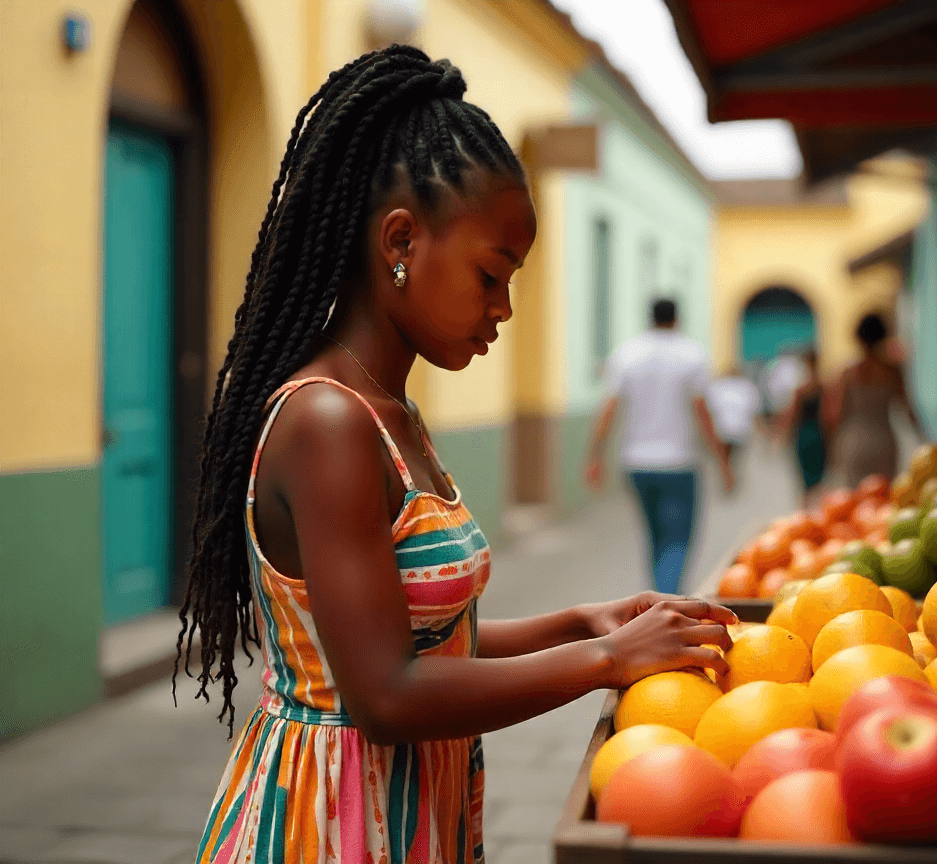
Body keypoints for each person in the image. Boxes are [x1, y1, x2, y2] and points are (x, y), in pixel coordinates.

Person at [175, 46, 735, 864]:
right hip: (333, 825)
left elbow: (434, 641)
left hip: (408, 811)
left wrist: (584, 621)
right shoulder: (329, 421)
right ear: (401, 239)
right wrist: (606, 659)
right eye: (491, 273)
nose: (504, 307)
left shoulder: (392, 411)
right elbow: (388, 694)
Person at [585, 298, 735, 596]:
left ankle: (656, 602)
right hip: (679, 464)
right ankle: (667, 604)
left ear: (649, 318)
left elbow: (609, 409)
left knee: (654, 538)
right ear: (677, 319)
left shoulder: (627, 354)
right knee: (677, 541)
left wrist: (595, 457)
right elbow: (703, 413)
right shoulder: (691, 354)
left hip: (636, 464)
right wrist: (723, 462)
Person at [823, 313, 924, 487]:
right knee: (882, 496)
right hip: (884, 442)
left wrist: (831, 449)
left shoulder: (848, 374)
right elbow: (907, 409)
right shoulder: (891, 371)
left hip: (853, 441)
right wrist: (923, 437)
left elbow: (834, 415)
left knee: (854, 501)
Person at [774, 349, 827, 507]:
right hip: (819, 435)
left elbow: (791, 415)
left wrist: (781, 434)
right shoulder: (824, 387)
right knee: (818, 480)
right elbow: (830, 416)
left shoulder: (801, 389)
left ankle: (805, 514)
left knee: (805, 481)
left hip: (804, 435)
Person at [706, 363, 763, 478]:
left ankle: (727, 474)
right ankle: (729, 474)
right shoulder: (747, 386)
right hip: (739, 428)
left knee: (726, 457)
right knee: (732, 457)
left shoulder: (718, 386)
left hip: (723, 428)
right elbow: (755, 410)